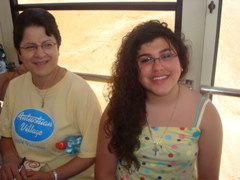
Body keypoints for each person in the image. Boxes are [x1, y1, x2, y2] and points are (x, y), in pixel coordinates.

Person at [95, 20, 223, 180]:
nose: (157, 67)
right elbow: (104, 173)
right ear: (133, 69)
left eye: (166, 56)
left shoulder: (206, 112)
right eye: (146, 59)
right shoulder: (118, 107)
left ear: (181, 61)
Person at [0, 8, 101, 180]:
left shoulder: (79, 91)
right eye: (30, 47)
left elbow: (91, 153)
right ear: (19, 53)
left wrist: (50, 176)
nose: (40, 54)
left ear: (58, 47)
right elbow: (6, 135)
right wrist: (10, 160)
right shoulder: (15, 87)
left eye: (47, 44)